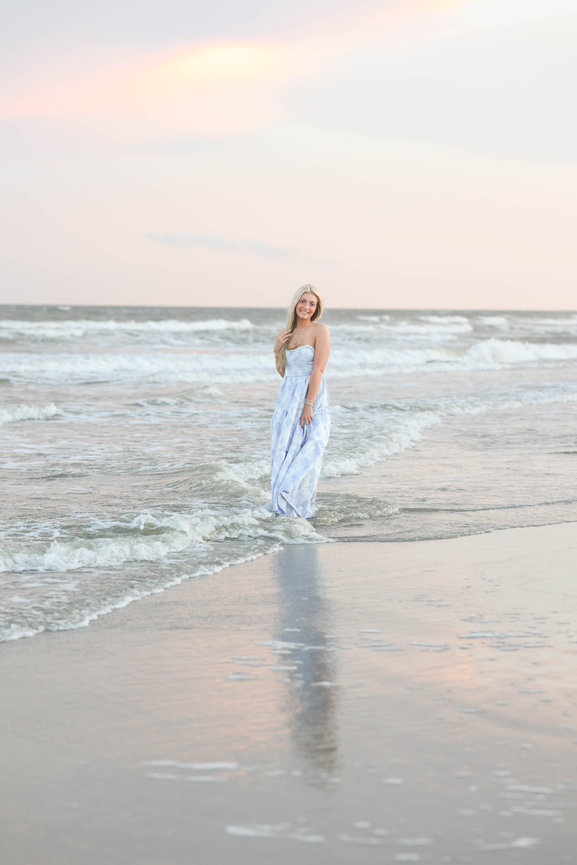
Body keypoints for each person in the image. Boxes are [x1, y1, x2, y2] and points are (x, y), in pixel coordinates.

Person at [271, 285, 330, 518]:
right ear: (296, 303)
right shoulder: (288, 333)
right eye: (303, 301)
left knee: (312, 446)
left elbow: (318, 370)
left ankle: (300, 504)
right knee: (287, 450)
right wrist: (277, 349)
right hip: (288, 401)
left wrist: (308, 404)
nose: (306, 307)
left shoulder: (320, 330)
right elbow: (285, 373)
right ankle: (284, 506)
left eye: (312, 303)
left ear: (317, 308)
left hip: (311, 398)